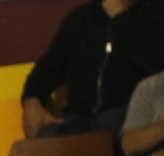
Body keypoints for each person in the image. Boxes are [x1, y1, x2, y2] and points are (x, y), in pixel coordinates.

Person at [21, 0, 164, 140]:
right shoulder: (80, 18)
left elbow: (155, 68)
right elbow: (46, 70)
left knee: (109, 130)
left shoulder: (155, 13)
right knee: (47, 139)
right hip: (77, 118)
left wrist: (122, 18)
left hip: (127, 116)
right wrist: (31, 98)